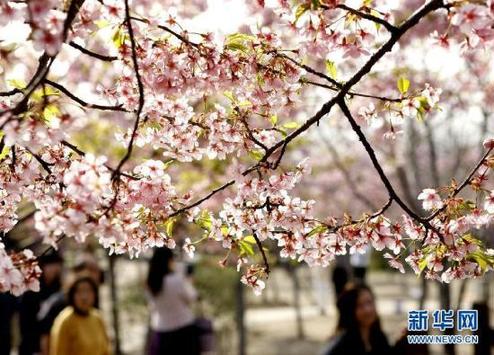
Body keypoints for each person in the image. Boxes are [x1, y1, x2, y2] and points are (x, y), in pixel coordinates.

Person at [39, 252, 104, 355]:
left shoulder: (96, 316)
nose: (84, 297)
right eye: (90, 270)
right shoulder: (60, 307)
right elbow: (47, 338)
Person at [146, 247, 200, 355]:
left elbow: (152, 305)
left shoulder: (150, 282)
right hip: (184, 330)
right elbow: (193, 297)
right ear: (169, 260)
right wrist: (189, 281)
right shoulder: (176, 280)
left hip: (161, 331)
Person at [323, 283, 391, 355]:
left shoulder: (379, 338)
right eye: (360, 305)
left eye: (369, 302)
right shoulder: (342, 345)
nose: (367, 310)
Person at [49, 276, 110, 355]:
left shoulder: (98, 318)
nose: (84, 297)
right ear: (72, 294)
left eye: (88, 291)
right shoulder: (65, 321)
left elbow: (106, 349)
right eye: (79, 291)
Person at [19, 251, 63, 355]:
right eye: (50, 265)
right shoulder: (31, 293)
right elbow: (25, 325)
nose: (54, 269)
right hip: (32, 346)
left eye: (57, 265)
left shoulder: (59, 292)